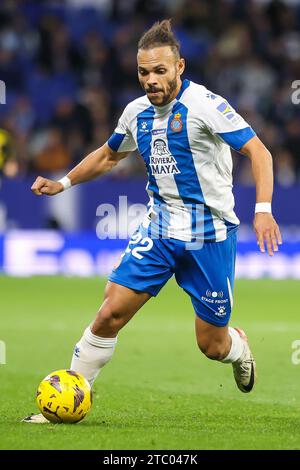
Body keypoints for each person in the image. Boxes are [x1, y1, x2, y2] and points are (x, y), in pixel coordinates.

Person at [24, 20, 282, 423]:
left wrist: (263, 210)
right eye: (144, 72)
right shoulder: (136, 112)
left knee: (211, 345)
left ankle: (238, 346)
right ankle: (71, 396)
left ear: (180, 67)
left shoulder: (206, 106)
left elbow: (260, 153)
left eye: (160, 71)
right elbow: (109, 155)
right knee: (109, 313)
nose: (151, 80)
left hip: (208, 236)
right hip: (159, 230)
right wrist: (64, 182)